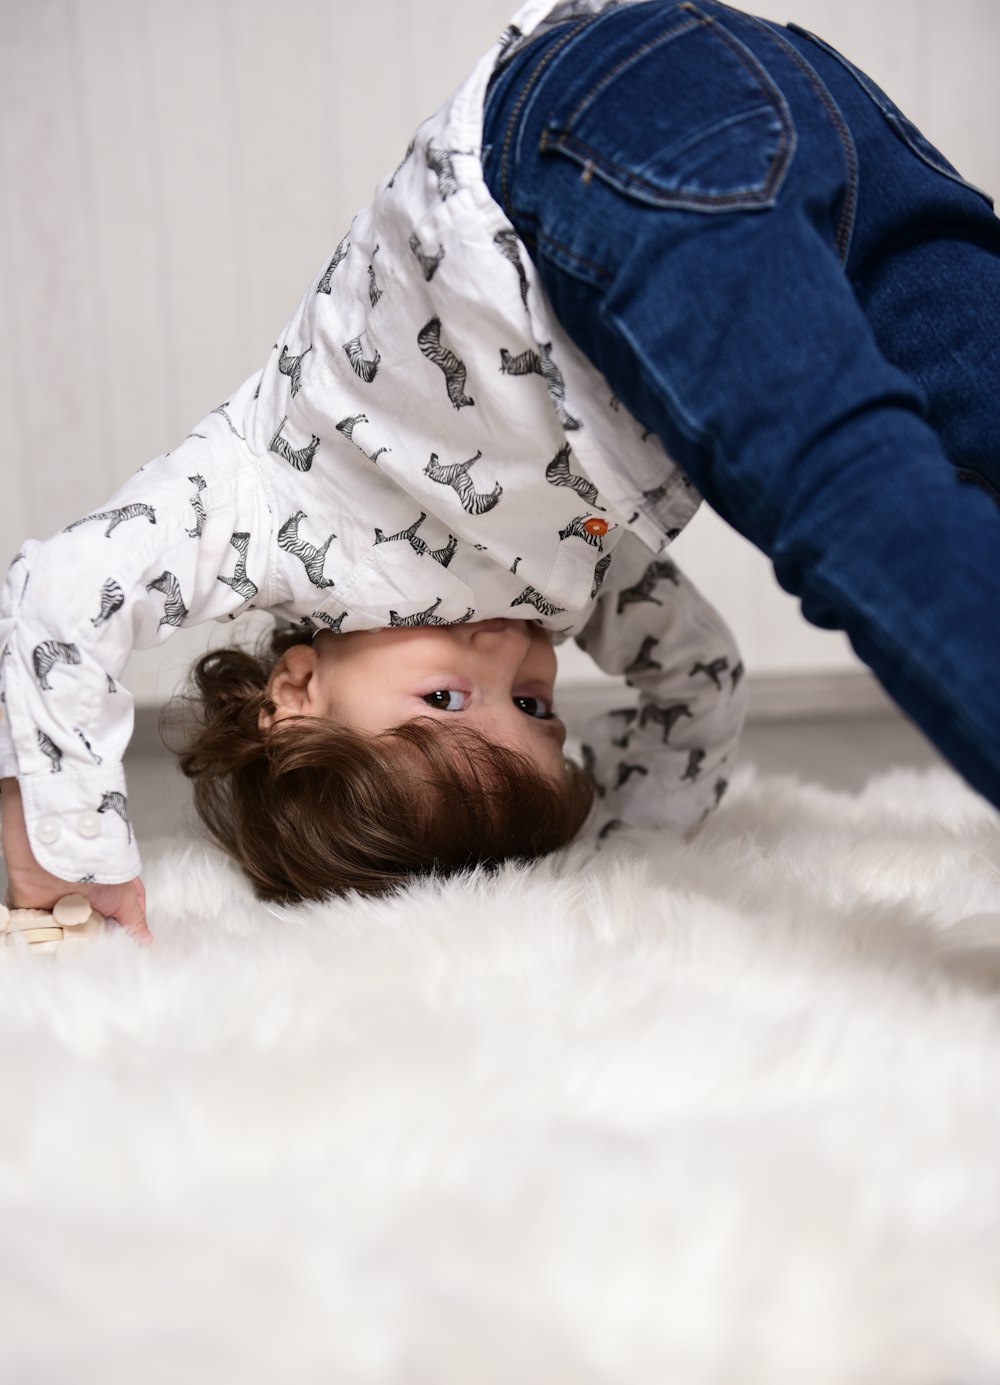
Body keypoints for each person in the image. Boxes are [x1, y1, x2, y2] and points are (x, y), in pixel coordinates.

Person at [2, 0, 997, 941]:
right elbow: (696, 677)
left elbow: (54, 599)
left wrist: (63, 837)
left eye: (442, 703)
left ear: (290, 695)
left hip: (601, 140)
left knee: (856, 500)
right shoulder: (568, 577)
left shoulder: (265, 498)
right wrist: (627, 849)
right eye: (535, 708)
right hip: (817, 130)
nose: (502, 658)